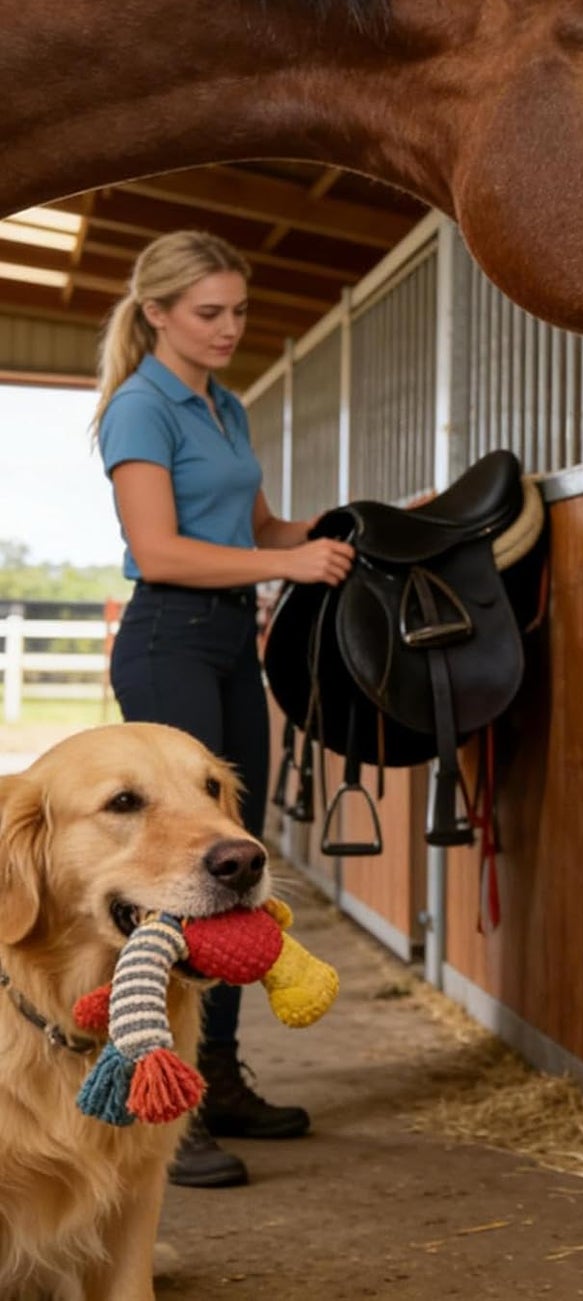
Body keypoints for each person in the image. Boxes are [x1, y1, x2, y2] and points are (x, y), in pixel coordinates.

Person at [93, 231, 354, 1188]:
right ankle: (164, 1094)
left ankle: (215, 1075)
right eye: (209, 313)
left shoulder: (227, 404)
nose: (229, 329)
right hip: (168, 638)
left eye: (237, 311)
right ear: (157, 312)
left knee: (239, 859)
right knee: (180, 870)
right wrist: (284, 565)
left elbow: (260, 530)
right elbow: (159, 549)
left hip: (229, 645)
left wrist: (341, 527)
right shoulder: (139, 409)